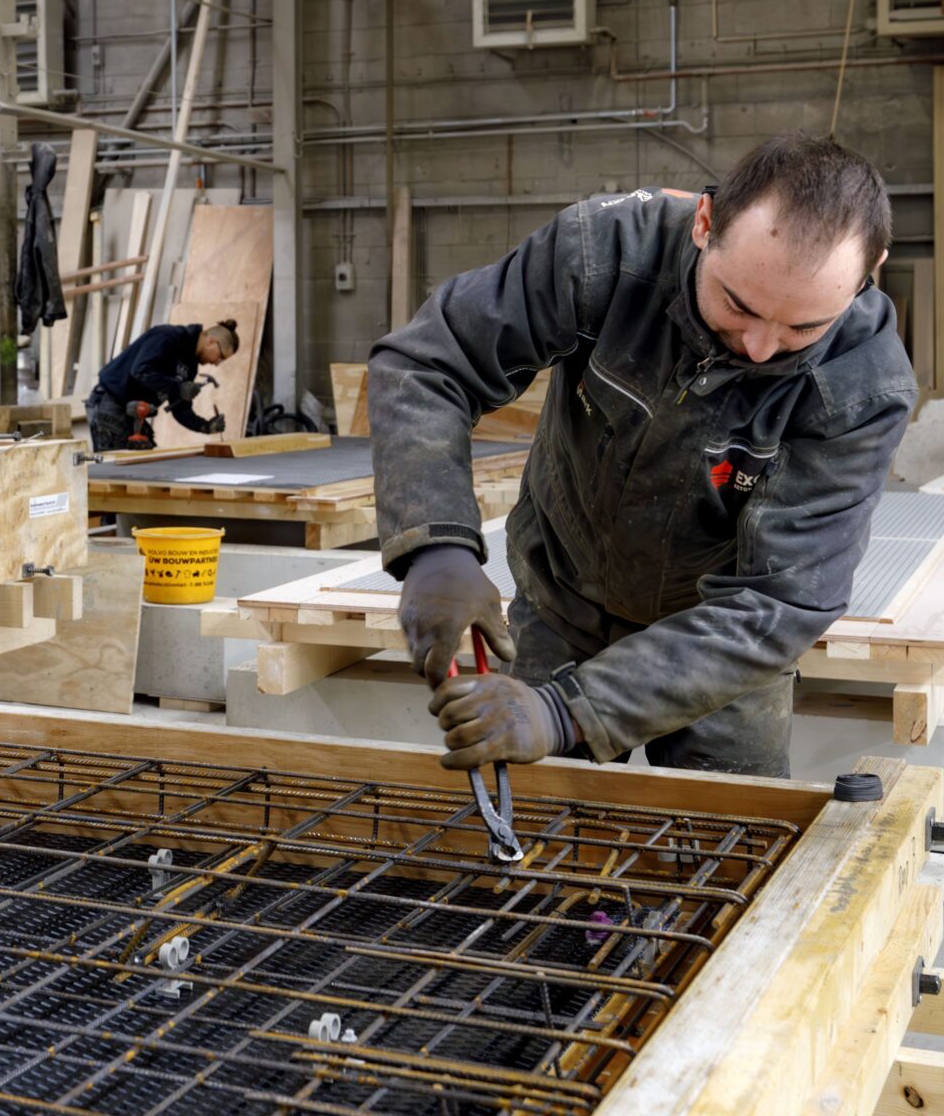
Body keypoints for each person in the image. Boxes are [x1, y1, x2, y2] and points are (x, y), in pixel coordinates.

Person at [370, 131, 916, 778]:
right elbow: (432, 364)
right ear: (705, 222)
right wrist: (436, 547)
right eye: (737, 306)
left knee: (720, 854)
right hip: (561, 601)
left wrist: (562, 715)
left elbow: (783, 601)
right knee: (535, 843)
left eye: (804, 327)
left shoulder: (861, 383)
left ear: (871, 268)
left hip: (719, 647)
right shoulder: (605, 255)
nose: (762, 347)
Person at [88, 321, 239, 452]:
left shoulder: (190, 367)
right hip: (111, 401)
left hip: (132, 414)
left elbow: (180, 409)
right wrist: (178, 387)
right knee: (113, 467)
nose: (217, 363)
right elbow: (141, 370)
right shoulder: (168, 336)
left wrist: (205, 426)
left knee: (144, 462)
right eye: (220, 357)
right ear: (211, 341)